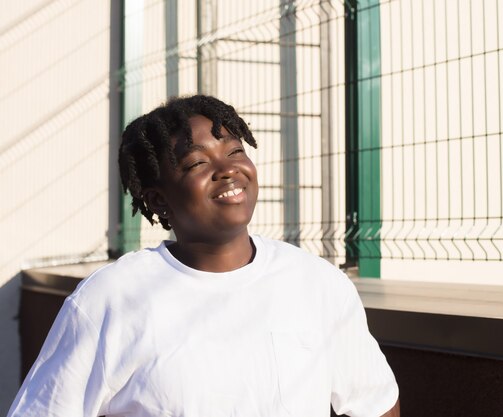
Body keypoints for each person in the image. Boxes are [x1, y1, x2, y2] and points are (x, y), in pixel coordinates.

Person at [8, 95, 400, 417]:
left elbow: (376, 404)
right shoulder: (110, 299)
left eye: (234, 151)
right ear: (159, 200)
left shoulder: (317, 283)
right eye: (197, 162)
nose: (227, 169)